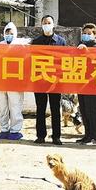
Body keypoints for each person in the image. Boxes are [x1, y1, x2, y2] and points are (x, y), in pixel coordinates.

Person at [31, 15, 67, 145]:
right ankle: (41, 136)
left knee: (55, 109)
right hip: (40, 80)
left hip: (55, 81)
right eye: (44, 23)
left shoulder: (61, 41)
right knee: (40, 109)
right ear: (41, 25)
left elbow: (65, 60)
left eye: (49, 22)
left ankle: (56, 136)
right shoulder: (36, 42)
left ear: (53, 24)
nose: (47, 24)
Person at [0, 22, 27, 140]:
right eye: (7, 32)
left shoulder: (21, 46)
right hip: (0, 81)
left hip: (15, 81)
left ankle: (15, 130)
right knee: (1, 106)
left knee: (15, 106)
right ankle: (3, 129)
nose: (9, 35)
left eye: (11, 33)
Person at [75, 23, 96, 145]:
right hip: (81, 81)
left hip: (92, 83)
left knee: (92, 110)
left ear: (94, 35)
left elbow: (95, 59)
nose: (86, 35)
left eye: (89, 33)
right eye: (84, 33)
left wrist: (86, 50)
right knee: (84, 109)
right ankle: (87, 135)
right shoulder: (80, 45)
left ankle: (94, 136)